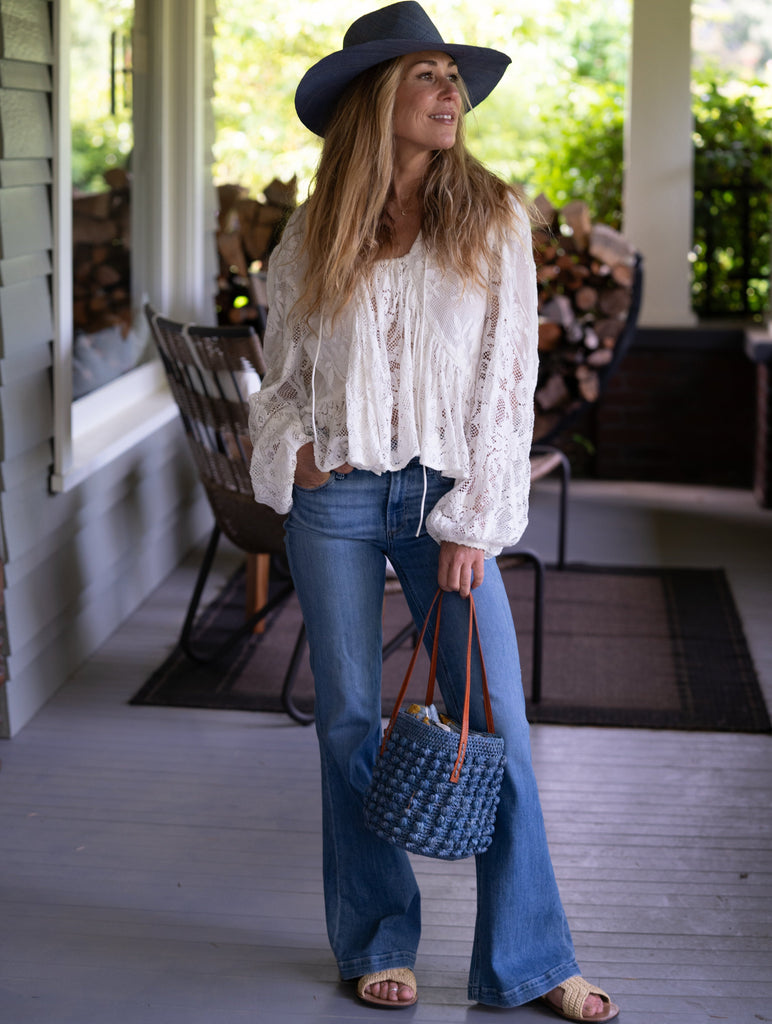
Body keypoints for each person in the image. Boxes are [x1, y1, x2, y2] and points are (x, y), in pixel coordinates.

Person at [248, 3, 619, 1020]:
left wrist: (474, 522)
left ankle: (532, 960)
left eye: (455, 77)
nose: (451, 91)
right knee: (347, 723)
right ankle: (376, 937)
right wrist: (301, 452)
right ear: (377, 96)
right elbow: (278, 379)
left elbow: (509, 381)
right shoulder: (311, 230)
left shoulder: (492, 217)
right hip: (336, 501)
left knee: (494, 717)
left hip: (442, 498)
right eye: (427, 74)